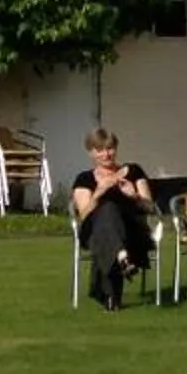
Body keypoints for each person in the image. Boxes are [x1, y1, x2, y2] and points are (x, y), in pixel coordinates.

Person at [70, 128, 159, 308]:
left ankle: (112, 294)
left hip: (132, 231)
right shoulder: (84, 179)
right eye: (100, 150)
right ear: (91, 153)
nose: (106, 154)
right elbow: (84, 215)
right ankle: (121, 255)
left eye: (110, 148)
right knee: (107, 210)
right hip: (94, 232)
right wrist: (98, 194)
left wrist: (134, 196)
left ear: (116, 148)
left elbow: (151, 208)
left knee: (109, 217)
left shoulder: (134, 171)